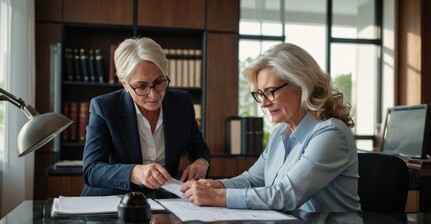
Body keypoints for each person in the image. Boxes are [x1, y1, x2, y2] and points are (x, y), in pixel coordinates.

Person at [181, 42, 361, 212]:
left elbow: (286, 194)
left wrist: (216, 197)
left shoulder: (331, 133)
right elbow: (252, 180)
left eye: (271, 92)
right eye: (260, 94)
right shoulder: (280, 134)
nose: (264, 103)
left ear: (301, 85)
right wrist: (217, 186)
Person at [81, 37, 211, 196]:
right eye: (142, 86)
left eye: (159, 82)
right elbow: (92, 170)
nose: (154, 94)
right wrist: (135, 173)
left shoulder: (182, 103)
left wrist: (201, 162)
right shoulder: (105, 108)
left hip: (164, 203)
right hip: (111, 202)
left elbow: (198, 149)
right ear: (124, 83)